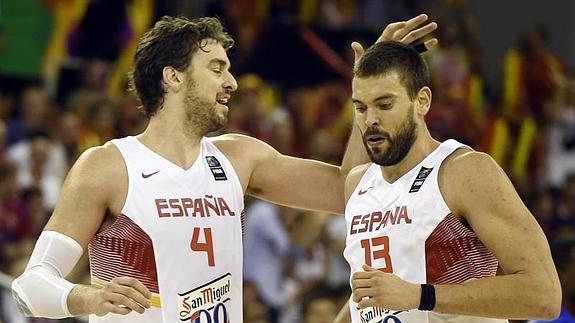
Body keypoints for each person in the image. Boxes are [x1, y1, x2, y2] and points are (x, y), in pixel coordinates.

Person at [11, 14, 438, 323]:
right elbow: (30, 287)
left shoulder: (238, 157)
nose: (231, 82)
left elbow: (350, 193)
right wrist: (87, 297)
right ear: (172, 78)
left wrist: (367, 92)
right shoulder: (109, 166)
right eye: (217, 69)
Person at [334, 41, 562, 323]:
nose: (370, 120)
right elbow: (367, 304)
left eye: (384, 104)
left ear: (422, 101)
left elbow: (543, 295)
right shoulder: (357, 184)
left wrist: (420, 296)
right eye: (360, 107)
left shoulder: (463, 172)